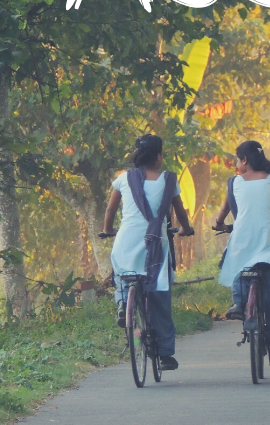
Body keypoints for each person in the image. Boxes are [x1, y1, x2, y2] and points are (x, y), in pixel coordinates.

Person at [101, 135, 194, 371]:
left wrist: (107, 229)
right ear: (159, 156)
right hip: (156, 244)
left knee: (123, 272)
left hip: (127, 240)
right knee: (160, 297)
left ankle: (123, 302)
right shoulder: (168, 180)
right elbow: (180, 212)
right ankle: (165, 354)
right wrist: (185, 228)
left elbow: (111, 208)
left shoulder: (123, 179)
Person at [213, 140, 270, 370]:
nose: (236, 165)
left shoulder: (234, 183)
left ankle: (239, 302)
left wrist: (219, 224)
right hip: (269, 242)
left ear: (244, 161)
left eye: (237, 160)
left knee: (234, 259)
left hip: (243, 240)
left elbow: (222, 215)